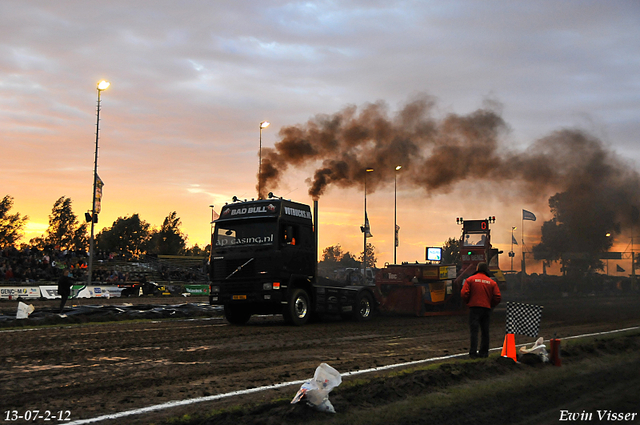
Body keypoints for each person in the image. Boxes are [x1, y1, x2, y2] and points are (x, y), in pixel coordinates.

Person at [461, 262, 501, 358]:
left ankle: (473, 353)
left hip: (474, 308)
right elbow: (498, 297)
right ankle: (484, 353)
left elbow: (463, 293)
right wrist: (491, 304)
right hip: (486, 309)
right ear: (487, 270)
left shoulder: (470, 280)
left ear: (477, 269)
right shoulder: (492, 282)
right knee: (485, 331)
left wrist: (468, 302)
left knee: (474, 331)